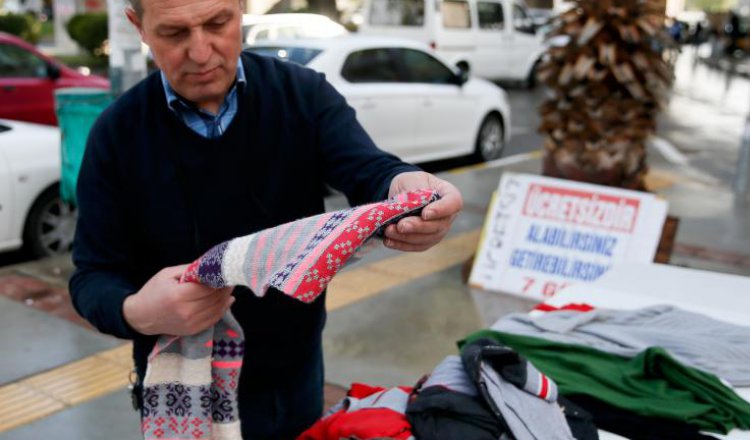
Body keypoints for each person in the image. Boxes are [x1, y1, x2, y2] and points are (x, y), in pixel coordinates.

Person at [67, 0, 463, 437]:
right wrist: (137, 312)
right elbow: (92, 276)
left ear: (240, 8)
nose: (201, 52)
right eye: (174, 34)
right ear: (138, 26)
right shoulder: (117, 132)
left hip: (292, 373)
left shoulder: (302, 95)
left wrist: (406, 188)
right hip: (180, 386)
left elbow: (368, 169)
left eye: (218, 23)